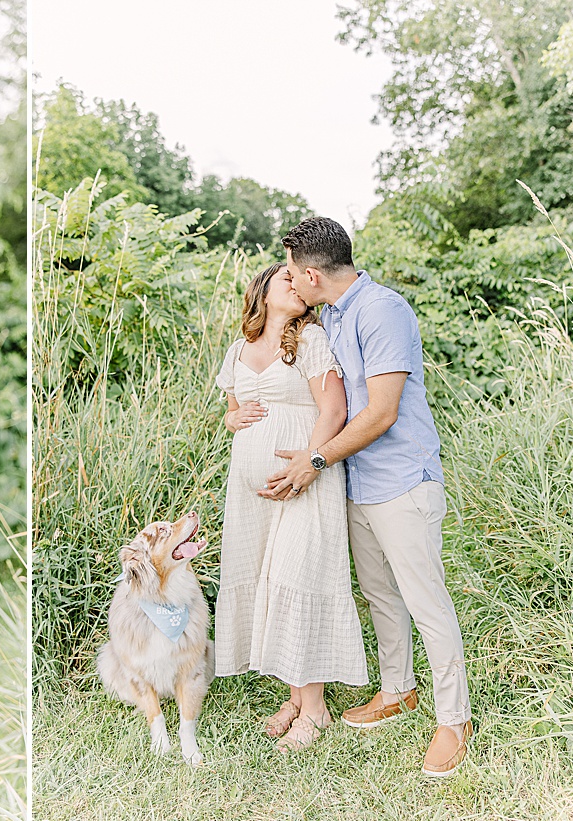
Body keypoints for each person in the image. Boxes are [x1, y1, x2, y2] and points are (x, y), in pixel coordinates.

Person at [266, 216, 473, 777]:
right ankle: (398, 691)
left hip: (403, 481)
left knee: (427, 603)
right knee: (381, 595)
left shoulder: (381, 310)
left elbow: (381, 412)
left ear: (311, 273)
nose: (286, 279)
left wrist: (315, 461)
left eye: (289, 270)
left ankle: (455, 721)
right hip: (360, 482)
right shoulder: (332, 314)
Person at [214, 262, 367, 752]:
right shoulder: (240, 349)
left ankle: (316, 708)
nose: (298, 284)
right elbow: (232, 410)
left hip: (305, 479)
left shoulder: (311, 340)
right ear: (263, 291)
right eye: (287, 278)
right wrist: (233, 419)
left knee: (298, 577)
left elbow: (335, 410)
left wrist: (309, 464)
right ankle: (296, 698)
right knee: (266, 581)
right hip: (249, 492)